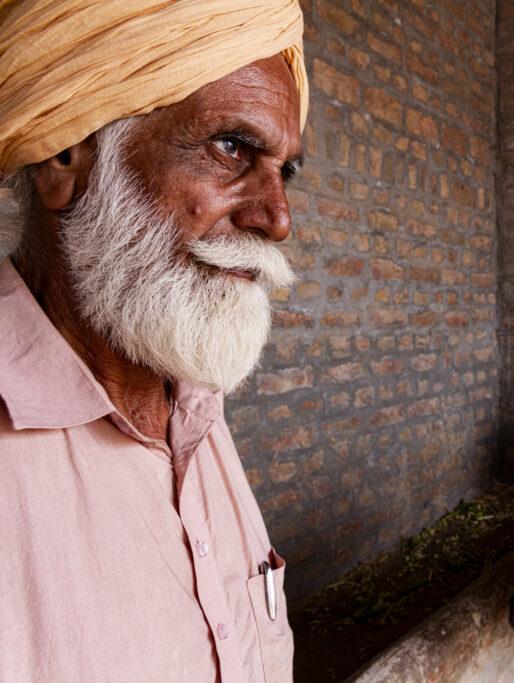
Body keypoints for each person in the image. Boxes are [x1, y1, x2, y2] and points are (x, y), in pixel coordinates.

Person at [0, 1, 308, 680]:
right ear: (64, 158)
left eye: (285, 170)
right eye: (233, 147)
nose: (278, 217)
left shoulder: (195, 404)